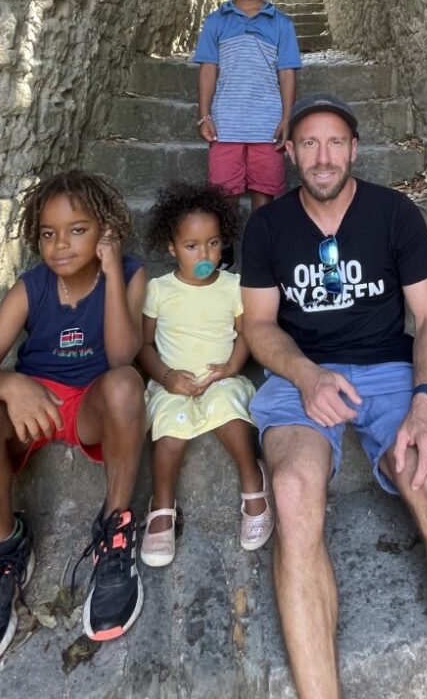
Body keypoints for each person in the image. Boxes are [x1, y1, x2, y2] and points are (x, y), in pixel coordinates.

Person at [240, 93, 427, 699]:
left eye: (335, 142)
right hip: (301, 372)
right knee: (290, 491)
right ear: (289, 152)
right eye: (308, 143)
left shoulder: (395, 215)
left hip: (390, 372)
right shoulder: (267, 227)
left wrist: (426, 404)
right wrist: (307, 376)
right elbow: (257, 326)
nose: (323, 155)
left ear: (355, 149)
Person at [0, 170, 147, 671]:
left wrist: (114, 270)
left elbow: (125, 355)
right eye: (48, 233)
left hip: (91, 404)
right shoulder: (30, 287)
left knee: (126, 385)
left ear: (104, 230)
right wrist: (10, 385)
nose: (60, 244)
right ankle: (5, 548)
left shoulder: (131, 273)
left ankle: (116, 529)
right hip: (32, 406)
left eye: (78, 230)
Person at [138, 182, 274, 567]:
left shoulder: (233, 286)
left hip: (221, 376)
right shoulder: (159, 290)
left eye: (213, 243)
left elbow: (248, 331)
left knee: (228, 410)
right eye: (192, 246)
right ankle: (162, 504)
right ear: (171, 247)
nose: (204, 254)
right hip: (173, 381)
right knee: (169, 427)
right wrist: (166, 378)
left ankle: (253, 483)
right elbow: (143, 346)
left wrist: (231, 367)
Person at [193, 0, 302, 248]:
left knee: (264, 190)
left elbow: (287, 72)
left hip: (267, 126)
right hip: (225, 126)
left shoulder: (282, 25)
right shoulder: (216, 22)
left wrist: (286, 117)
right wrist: (204, 116)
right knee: (222, 193)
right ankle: (222, 250)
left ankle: (260, 247)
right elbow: (208, 70)